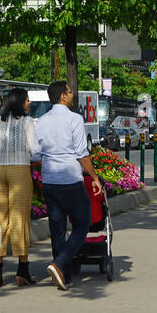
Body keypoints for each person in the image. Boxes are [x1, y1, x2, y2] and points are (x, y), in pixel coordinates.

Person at [31, 80, 102, 291]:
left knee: (57, 228)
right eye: (70, 92)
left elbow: (35, 155)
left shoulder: (41, 121)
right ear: (63, 96)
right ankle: (59, 263)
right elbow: (81, 153)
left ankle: (65, 275)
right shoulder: (75, 119)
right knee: (82, 224)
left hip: (50, 181)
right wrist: (95, 177)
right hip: (71, 179)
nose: (72, 95)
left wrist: (51, 163)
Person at [0, 87, 37, 289]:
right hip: (20, 170)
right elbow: (34, 149)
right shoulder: (27, 121)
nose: (29, 102)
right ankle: (22, 269)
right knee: (19, 218)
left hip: (0, 171)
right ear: (20, 102)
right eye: (27, 100)